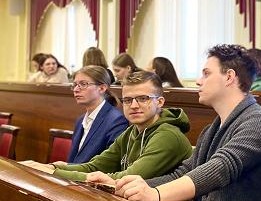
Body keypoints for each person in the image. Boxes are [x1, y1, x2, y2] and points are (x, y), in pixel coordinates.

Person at [115, 45, 261, 201]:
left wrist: (155, 195)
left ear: (229, 77)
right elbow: (183, 173)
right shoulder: (212, 129)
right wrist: (128, 186)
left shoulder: (259, 122)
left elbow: (219, 169)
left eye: (206, 73)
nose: (198, 81)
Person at [23, 71, 191, 182]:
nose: (134, 105)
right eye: (127, 100)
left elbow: (125, 178)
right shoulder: (132, 131)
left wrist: (55, 173)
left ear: (159, 102)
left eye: (142, 98)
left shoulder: (168, 135)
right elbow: (95, 165)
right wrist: (53, 167)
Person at [66, 65, 128, 164]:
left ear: (102, 88)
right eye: (75, 85)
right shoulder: (80, 120)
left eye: (83, 84)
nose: (76, 89)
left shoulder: (116, 121)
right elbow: (73, 159)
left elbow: (109, 164)